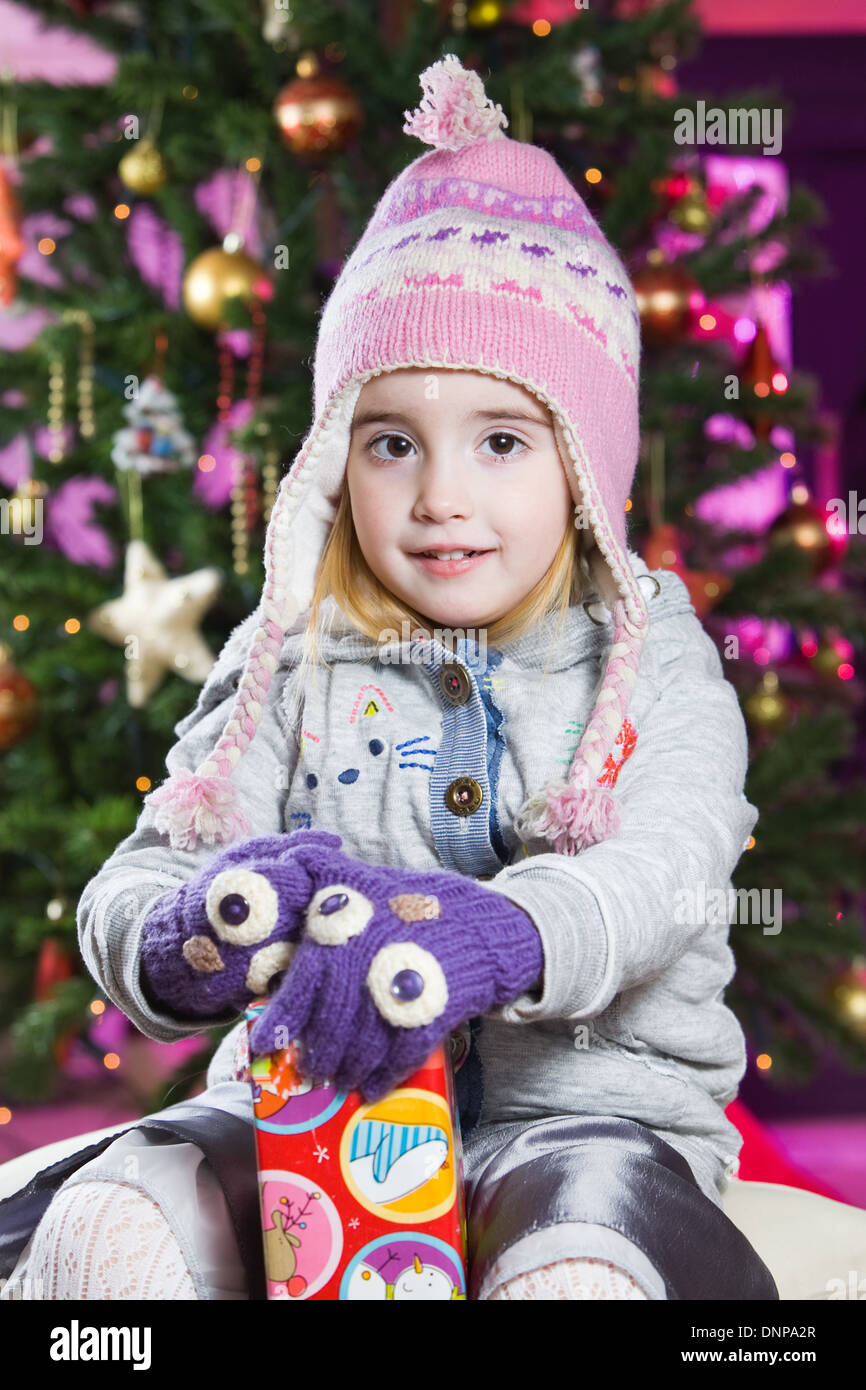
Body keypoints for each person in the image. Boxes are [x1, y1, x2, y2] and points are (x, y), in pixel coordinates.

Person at [0, 55, 778, 1302]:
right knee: (118, 1223)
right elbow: (140, 875)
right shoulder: (286, 656)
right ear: (334, 460)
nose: (439, 498)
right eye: (391, 442)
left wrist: (509, 929)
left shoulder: (653, 654)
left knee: (582, 1260)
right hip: (305, 1122)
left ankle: (573, 1256)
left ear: (584, 467)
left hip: (580, 1124)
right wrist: (187, 931)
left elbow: (665, 873)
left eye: (503, 440)